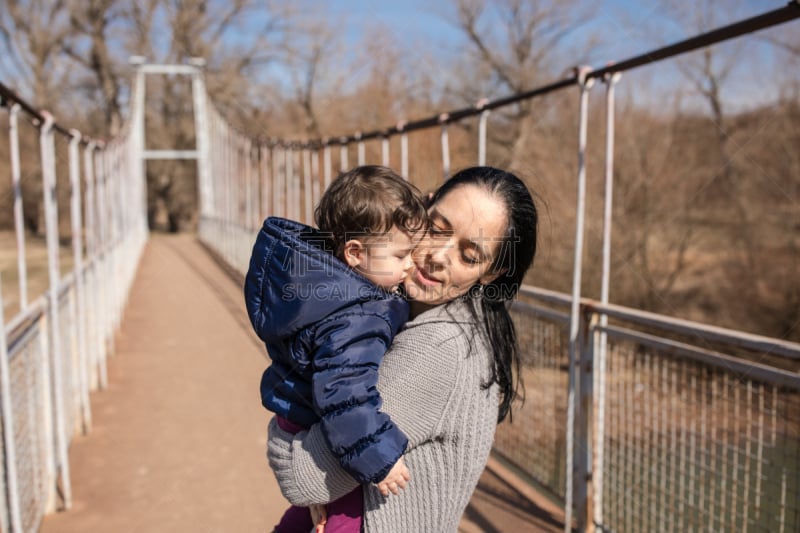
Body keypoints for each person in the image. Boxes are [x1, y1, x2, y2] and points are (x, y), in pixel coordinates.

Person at [266, 166, 539, 532]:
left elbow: (303, 478)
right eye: (437, 228)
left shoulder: (439, 346)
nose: (439, 256)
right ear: (420, 209)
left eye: (469, 256)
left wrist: (281, 426)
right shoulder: (386, 302)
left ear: (491, 273)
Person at [244, 166, 428, 532]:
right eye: (401, 255)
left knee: (314, 515)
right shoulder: (358, 316)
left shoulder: (326, 285)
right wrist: (380, 458)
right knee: (344, 519)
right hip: (325, 419)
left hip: (297, 410)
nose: (411, 266)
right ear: (355, 253)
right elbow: (345, 394)